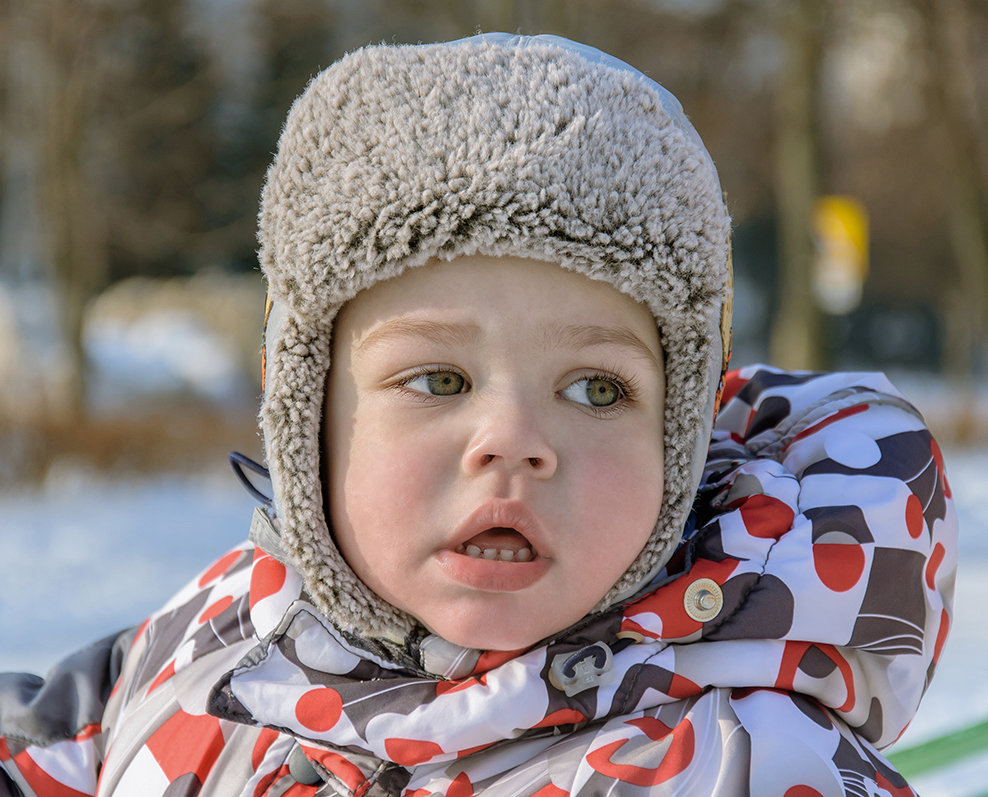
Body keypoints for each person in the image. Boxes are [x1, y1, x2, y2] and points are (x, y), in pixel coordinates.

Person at [0, 33, 956, 796]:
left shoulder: (741, 761)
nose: (514, 442)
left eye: (596, 389)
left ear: (681, 433)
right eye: (439, 381)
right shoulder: (221, 639)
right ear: (304, 415)